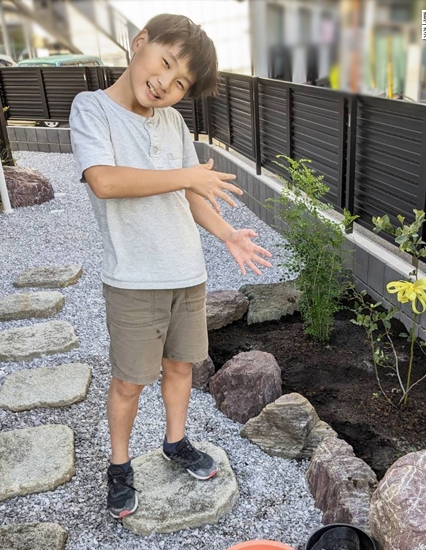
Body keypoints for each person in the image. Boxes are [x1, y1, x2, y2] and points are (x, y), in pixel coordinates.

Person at [69, 13, 272, 519]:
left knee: (181, 368)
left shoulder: (173, 122)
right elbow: (106, 181)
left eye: (181, 82)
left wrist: (227, 235)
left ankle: (175, 443)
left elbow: (190, 192)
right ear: (140, 43)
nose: (165, 83)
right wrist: (186, 174)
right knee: (129, 382)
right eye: (164, 63)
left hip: (187, 274)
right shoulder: (91, 109)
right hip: (134, 279)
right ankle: (119, 467)